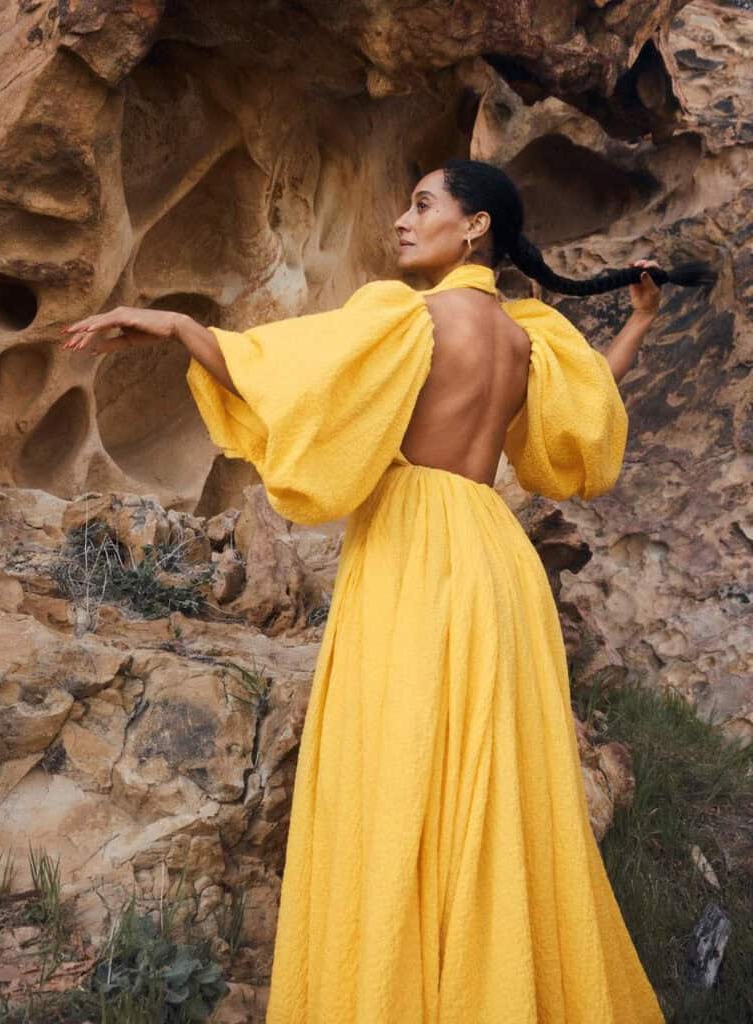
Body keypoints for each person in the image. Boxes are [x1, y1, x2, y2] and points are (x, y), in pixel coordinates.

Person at [62, 159, 714, 1022]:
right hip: (494, 561)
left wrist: (179, 325)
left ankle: (399, 989)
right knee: (491, 780)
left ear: (474, 225)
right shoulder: (530, 340)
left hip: (413, 547)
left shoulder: (410, 318)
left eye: (422, 204)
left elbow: (287, 374)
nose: (402, 221)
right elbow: (592, 399)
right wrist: (636, 324)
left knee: (395, 769)